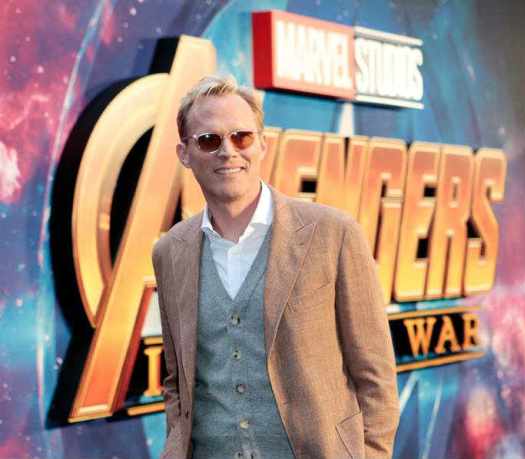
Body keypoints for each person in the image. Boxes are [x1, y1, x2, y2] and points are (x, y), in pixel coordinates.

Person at [151, 75, 399, 459]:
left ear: (262, 144)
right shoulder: (170, 252)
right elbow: (176, 380)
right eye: (209, 140)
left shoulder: (333, 233)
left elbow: (376, 375)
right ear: (185, 153)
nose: (228, 151)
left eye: (241, 137)